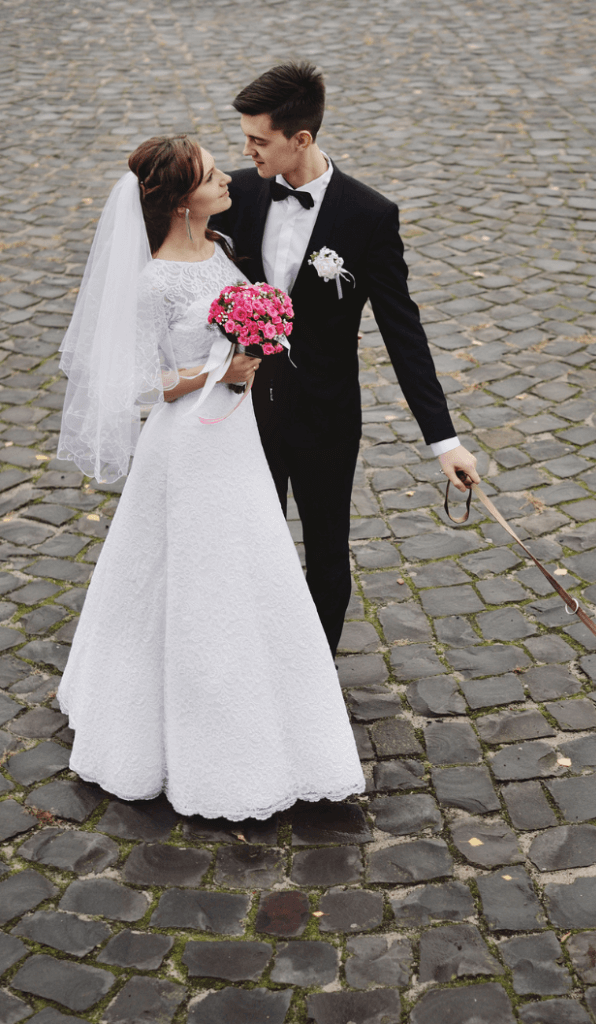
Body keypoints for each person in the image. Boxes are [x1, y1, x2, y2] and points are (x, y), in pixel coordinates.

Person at [55, 135, 365, 821]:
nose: (226, 176)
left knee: (250, 563)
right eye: (209, 175)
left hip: (236, 438)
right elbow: (139, 382)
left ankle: (273, 703)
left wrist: (259, 343)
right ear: (179, 201)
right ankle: (183, 729)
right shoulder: (154, 279)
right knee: (195, 573)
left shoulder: (220, 247)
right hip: (188, 445)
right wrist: (216, 372)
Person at [205, 61, 480, 658]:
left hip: (325, 414)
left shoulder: (368, 215)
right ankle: (251, 666)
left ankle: (312, 680)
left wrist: (444, 442)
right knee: (248, 543)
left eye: (259, 139)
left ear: (300, 139)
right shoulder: (233, 193)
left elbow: (403, 332)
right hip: (238, 407)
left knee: (327, 555)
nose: (246, 150)